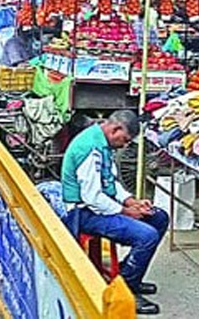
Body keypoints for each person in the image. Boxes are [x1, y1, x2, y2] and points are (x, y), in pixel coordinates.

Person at [61, 111, 168, 315]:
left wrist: (131, 201)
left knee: (159, 217)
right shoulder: (90, 148)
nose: (125, 145)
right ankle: (125, 290)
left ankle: (129, 276)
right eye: (125, 140)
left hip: (99, 206)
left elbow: (110, 182)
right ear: (115, 129)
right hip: (82, 213)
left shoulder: (103, 143)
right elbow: (92, 197)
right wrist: (125, 212)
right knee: (147, 236)